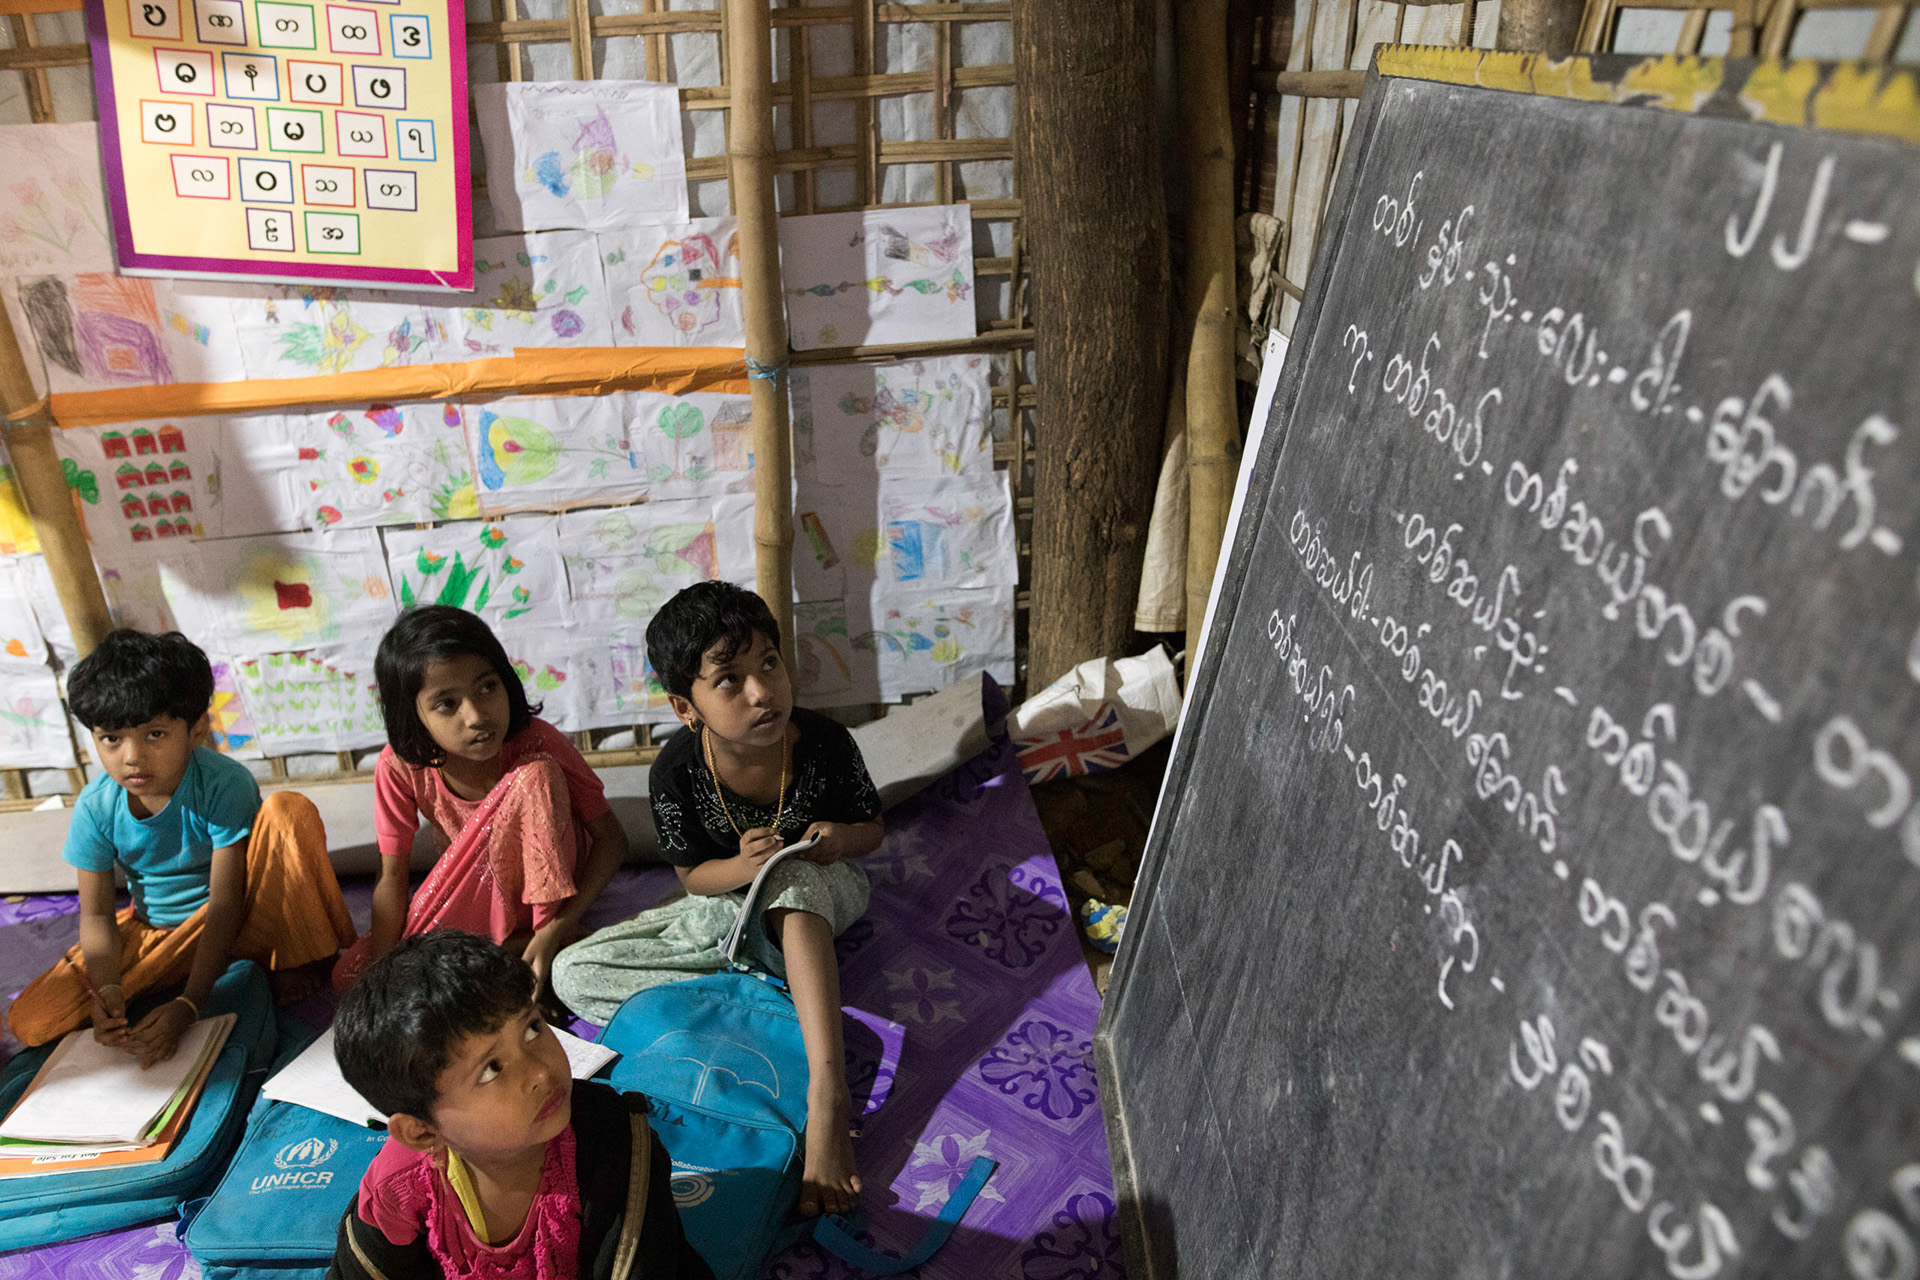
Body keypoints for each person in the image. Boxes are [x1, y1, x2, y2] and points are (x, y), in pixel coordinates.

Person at [553, 582, 883, 1218]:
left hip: (821, 887)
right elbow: (691, 878)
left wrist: (840, 839)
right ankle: (772, 983)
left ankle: (826, 1093)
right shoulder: (676, 769)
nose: (762, 691)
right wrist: (737, 865)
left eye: (768, 663)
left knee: (789, 881)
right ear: (686, 706)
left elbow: (872, 832)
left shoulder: (825, 742)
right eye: (729, 680)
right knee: (573, 971)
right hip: (729, 904)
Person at [6, 629, 355, 1059]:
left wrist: (190, 1003)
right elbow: (96, 914)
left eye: (154, 734)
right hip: (157, 932)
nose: (132, 756)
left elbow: (227, 901)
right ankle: (248, 964)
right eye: (111, 738)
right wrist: (108, 989)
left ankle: (284, 957)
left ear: (196, 730)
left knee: (287, 811)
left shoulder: (223, 783)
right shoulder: (96, 805)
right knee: (31, 1021)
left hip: (235, 915)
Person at [328, 931, 712, 1280]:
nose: (541, 1073)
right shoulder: (399, 1187)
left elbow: (645, 1264)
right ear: (423, 1131)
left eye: (531, 1028)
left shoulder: (611, 1140)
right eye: (491, 1069)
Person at [332, 606, 628, 998]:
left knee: (534, 775)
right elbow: (392, 877)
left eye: (487, 687)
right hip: (475, 905)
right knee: (353, 977)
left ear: (506, 682)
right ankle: (507, 953)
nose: (475, 716)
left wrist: (552, 931)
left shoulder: (538, 742)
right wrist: (384, 979)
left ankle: (536, 947)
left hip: (549, 910)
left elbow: (612, 839)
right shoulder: (399, 766)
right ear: (414, 715)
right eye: (446, 704)